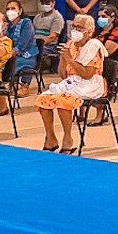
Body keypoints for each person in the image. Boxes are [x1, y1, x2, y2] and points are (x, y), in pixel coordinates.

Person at [33, 14, 106, 151]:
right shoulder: (70, 44)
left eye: (80, 27)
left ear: (89, 31)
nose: (75, 30)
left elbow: (87, 75)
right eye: (74, 26)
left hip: (90, 83)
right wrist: (63, 59)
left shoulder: (94, 46)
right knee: (43, 99)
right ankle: (51, 138)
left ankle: (68, 138)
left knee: (63, 100)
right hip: (72, 81)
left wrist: (71, 60)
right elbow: (63, 75)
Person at [33, 0, 65, 70]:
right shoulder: (37, 17)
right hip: (35, 43)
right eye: (42, 3)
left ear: (53, 3)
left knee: (33, 51)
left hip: (49, 46)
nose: (44, 5)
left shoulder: (57, 17)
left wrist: (39, 44)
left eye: (47, 3)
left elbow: (53, 36)